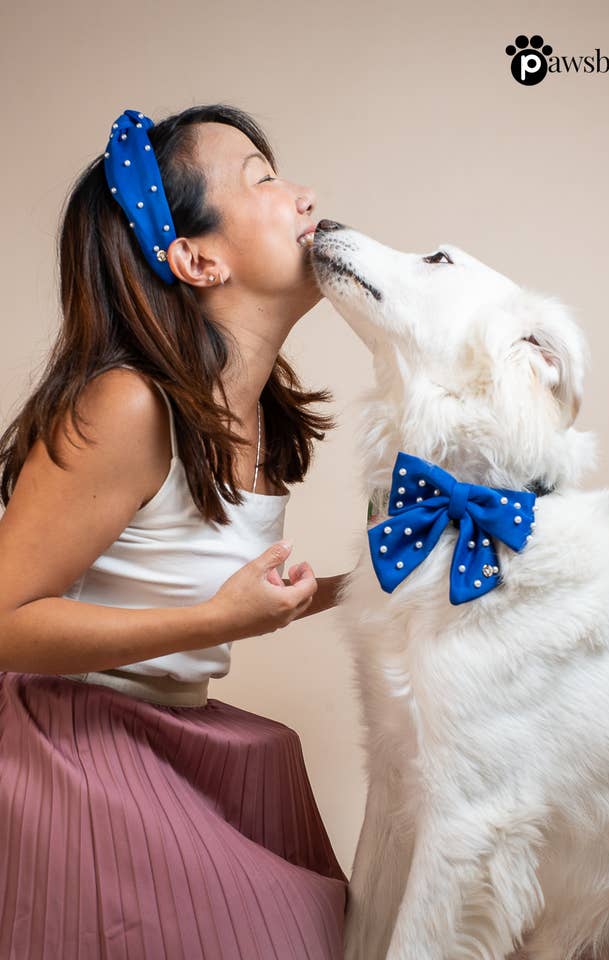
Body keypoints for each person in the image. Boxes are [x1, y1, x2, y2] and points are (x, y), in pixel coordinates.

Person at [0, 103, 349, 959]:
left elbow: (210, 592)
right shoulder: (127, 405)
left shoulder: (256, 417)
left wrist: (379, 580)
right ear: (197, 258)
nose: (303, 195)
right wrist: (217, 622)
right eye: (263, 179)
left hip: (170, 730)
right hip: (63, 745)